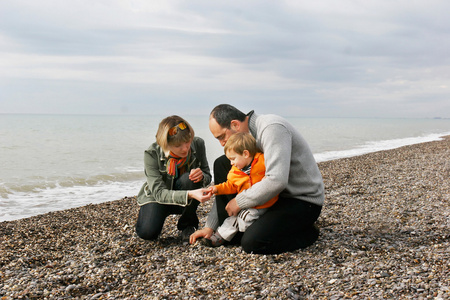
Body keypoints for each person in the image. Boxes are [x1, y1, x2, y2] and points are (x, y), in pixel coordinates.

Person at [190, 104, 324, 254]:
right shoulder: (246, 145)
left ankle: (308, 232)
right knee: (222, 162)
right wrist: (210, 226)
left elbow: (277, 180)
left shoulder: (271, 128)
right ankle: (228, 227)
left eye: (222, 137)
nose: (221, 143)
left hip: (301, 200)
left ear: (235, 124)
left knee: (252, 243)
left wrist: (239, 202)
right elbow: (230, 184)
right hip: (272, 197)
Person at [135, 115, 212, 244]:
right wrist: (191, 194)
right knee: (147, 233)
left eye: (188, 142)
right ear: (165, 144)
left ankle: (188, 224)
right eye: (178, 145)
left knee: (189, 179)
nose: (185, 148)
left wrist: (202, 176)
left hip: (185, 197)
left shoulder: (198, 144)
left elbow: (208, 175)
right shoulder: (151, 154)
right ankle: (156, 215)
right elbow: (159, 193)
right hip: (157, 198)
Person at [201, 132, 278, 247]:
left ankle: (248, 231)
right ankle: (219, 237)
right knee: (232, 219)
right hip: (248, 204)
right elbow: (230, 186)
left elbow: (274, 174)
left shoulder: (263, 161)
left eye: (233, 159)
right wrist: (216, 188)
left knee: (244, 217)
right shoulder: (234, 172)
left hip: (265, 203)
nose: (231, 163)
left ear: (246, 154)